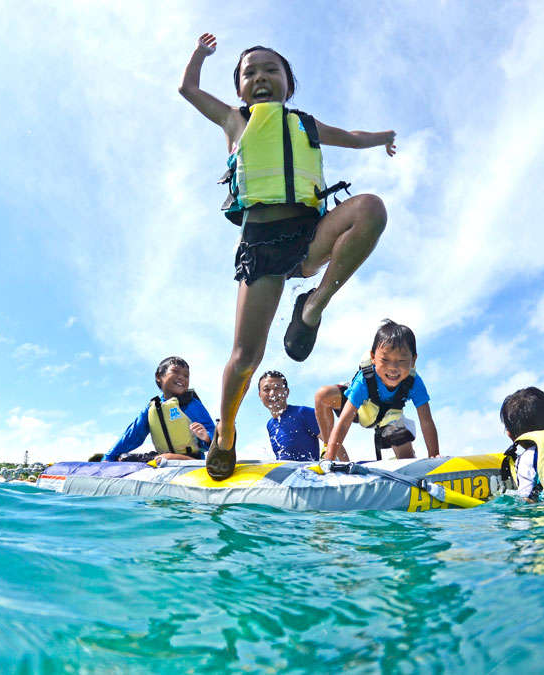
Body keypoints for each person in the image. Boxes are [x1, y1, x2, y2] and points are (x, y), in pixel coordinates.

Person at [179, 33, 397, 479]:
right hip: (262, 245)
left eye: (270, 70)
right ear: (240, 88)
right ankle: (226, 435)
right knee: (245, 357)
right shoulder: (233, 121)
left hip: (310, 235)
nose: (260, 77)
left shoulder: (307, 125)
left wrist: (382, 137)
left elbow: (352, 137)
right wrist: (200, 56)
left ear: (287, 83)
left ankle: (312, 305)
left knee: (371, 208)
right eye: (249, 72)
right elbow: (189, 90)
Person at [317, 320, 439, 461]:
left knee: (407, 459)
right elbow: (344, 422)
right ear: (373, 357)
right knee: (323, 395)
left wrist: (434, 455)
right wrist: (330, 459)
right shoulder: (364, 380)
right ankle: (330, 453)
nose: (393, 367)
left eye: (401, 361)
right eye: (385, 360)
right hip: (362, 409)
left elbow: (426, 421)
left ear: (413, 360)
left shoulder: (414, 382)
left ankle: (398, 460)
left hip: (390, 418)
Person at [102, 357, 216, 462]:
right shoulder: (152, 408)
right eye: (175, 372)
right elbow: (132, 435)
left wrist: (206, 438)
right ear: (158, 377)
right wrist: (109, 457)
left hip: (191, 460)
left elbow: (212, 433)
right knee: (122, 458)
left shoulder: (191, 404)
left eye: (186, 376)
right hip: (163, 460)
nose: (182, 377)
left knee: (165, 457)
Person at [258, 370, 321, 461]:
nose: (272, 393)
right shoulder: (270, 425)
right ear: (260, 395)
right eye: (266, 389)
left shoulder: (304, 413)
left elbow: (334, 444)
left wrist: (346, 472)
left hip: (309, 474)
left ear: (286, 392)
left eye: (277, 388)